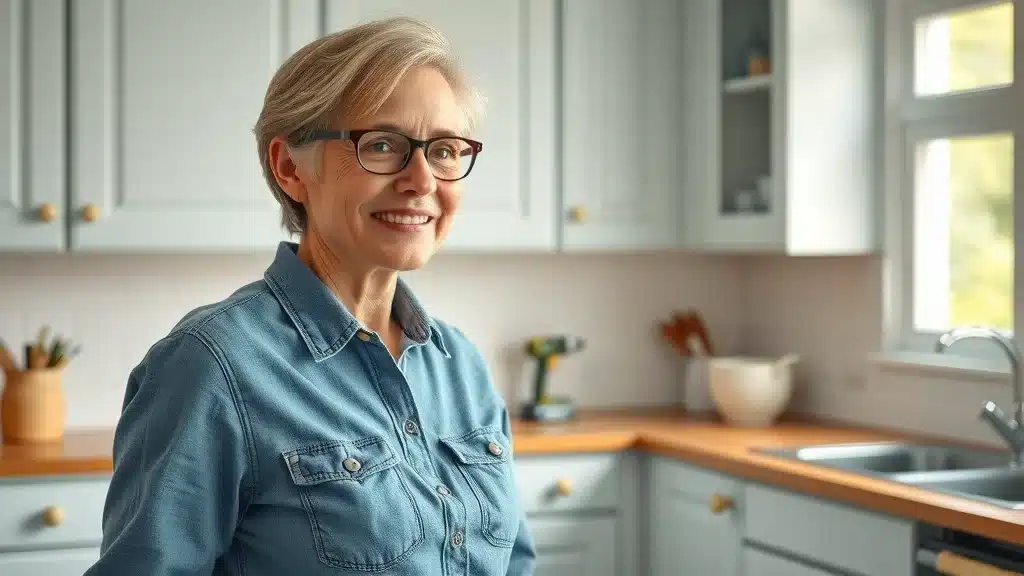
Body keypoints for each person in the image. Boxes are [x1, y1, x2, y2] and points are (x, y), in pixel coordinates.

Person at [84, 16, 535, 576]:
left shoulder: (460, 364)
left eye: (444, 150)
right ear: (290, 167)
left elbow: (513, 562)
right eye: (382, 144)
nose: (422, 180)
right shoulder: (210, 367)